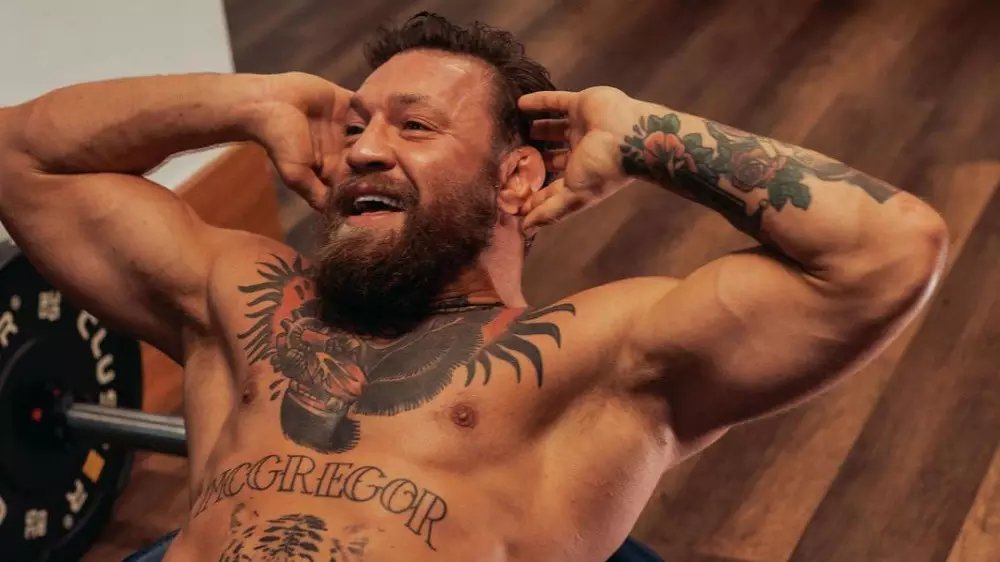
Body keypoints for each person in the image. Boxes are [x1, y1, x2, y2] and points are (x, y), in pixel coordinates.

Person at [0, 11, 947, 562]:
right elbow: (18, 157)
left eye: (414, 127)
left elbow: (890, 250)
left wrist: (643, 133)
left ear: (517, 177)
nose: (363, 148)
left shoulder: (598, 359)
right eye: (356, 127)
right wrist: (246, 99)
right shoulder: (241, 299)